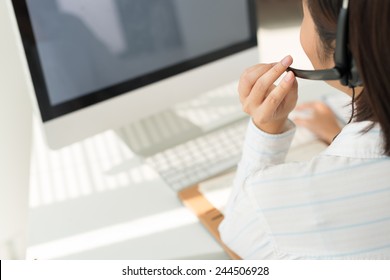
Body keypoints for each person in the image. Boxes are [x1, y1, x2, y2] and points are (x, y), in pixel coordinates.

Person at [219, 0, 390, 259]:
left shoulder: (288, 200)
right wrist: (338, 134)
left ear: (344, 54)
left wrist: (266, 129)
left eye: (304, 13)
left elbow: (236, 232)